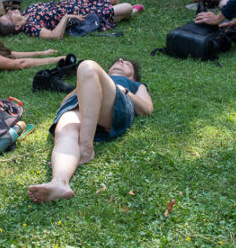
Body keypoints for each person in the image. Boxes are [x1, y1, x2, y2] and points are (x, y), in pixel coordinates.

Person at [28, 58, 152, 203]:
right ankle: (59, 182)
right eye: (117, 61)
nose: (120, 60)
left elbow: (147, 109)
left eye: (127, 63)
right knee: (65, 132)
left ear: (133, 76)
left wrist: (124, 90)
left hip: (116, 103)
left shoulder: (136, 85)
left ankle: (86, 148)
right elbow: (65, 102)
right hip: (78, 106)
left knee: (87, 65)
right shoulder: (91, 75)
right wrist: (86, 84)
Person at [0, 0, 141, 39]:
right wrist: (66, 17)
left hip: (76, 2)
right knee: (127, 7)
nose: (10, 12)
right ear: (17, 27)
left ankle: (112, 13)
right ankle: (120, 14)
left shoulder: (26, 11)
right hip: (83, 15)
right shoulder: (31, 27)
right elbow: (54, 36)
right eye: (9, 16)